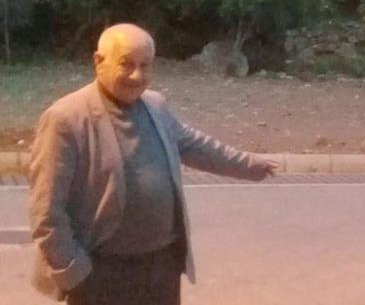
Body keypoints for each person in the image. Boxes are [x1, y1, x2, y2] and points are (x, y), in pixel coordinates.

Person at [28, 23, 279, 305]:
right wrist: (73, 272)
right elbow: (46, 212)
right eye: (127, 64)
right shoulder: (65, 118)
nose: (138, 76)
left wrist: (250, 165)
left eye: (145, 66)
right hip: (101, 274)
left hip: (161, 268)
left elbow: (193, 144)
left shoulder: (155, 105)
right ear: (98, 62)